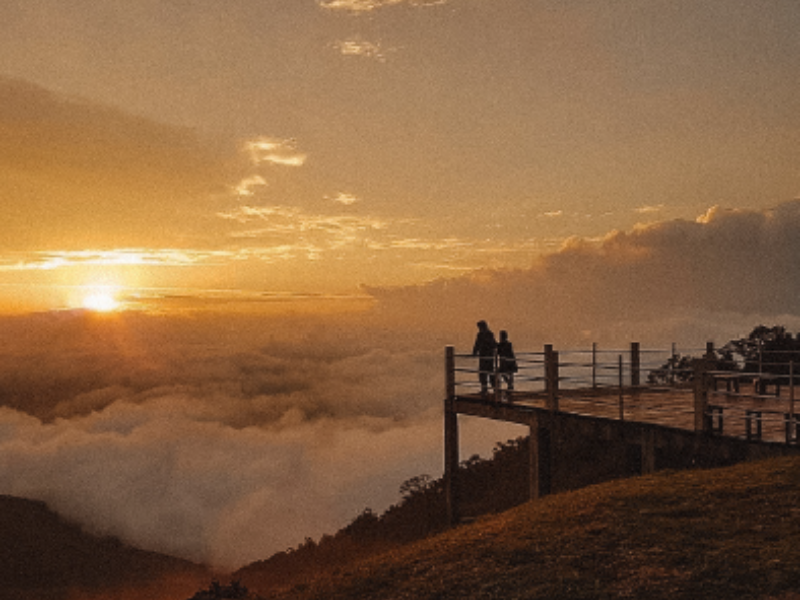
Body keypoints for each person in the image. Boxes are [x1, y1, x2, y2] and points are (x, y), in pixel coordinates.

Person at [472, 320, 497, 395]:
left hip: (485, 357)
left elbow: (477, 344)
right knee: (487, 373)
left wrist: (474, 352)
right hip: (487, 357)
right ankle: (491, 389)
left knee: (485, 373)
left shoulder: (484, 334)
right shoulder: (487, 334)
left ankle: (487, 389)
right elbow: (494, 344)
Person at [497, 330, 518, 396]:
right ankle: (510, 385)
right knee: (509, 374)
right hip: (509, 360)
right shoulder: (508, 344)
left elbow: (499, 352)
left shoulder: (502, 345)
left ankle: (509, 385)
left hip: (505, 361)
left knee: (503, 373)